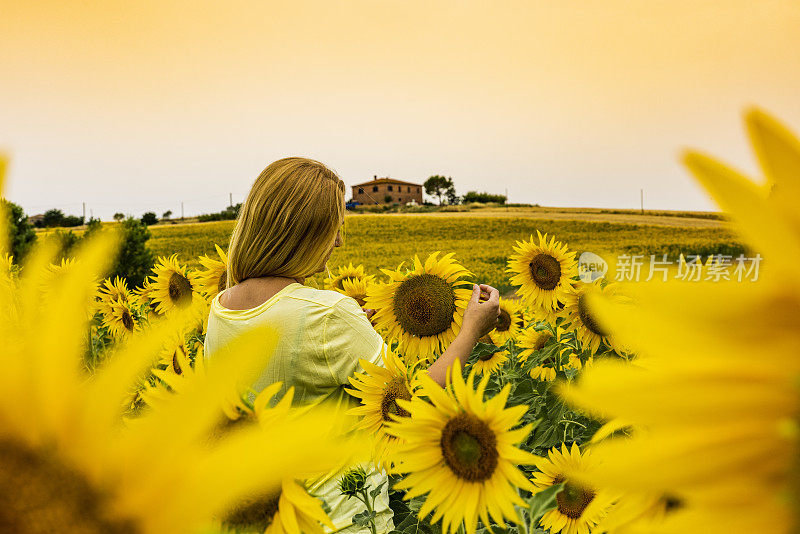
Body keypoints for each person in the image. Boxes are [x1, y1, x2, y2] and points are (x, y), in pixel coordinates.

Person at [204, 157, 500, 533]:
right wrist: (471, 332)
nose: (340, 240)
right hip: (345, 521)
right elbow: (410, 403)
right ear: (303, 232)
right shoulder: (328, 314)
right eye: (335, 229)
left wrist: (353, 330)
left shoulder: (220, 309)